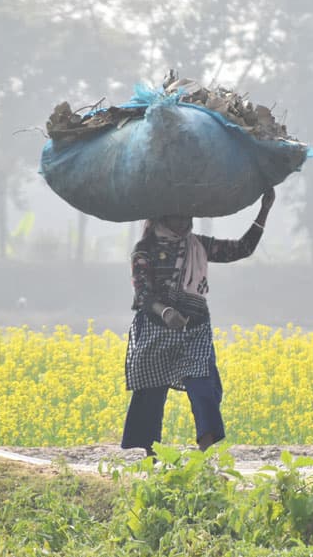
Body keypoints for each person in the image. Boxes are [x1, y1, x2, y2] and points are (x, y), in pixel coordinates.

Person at [120, 189, 276, 456]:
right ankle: (151, 456)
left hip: (194, 330)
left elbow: (242, 249)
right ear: (162, 217)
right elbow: (143, 294)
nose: (184, 222)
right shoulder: (144, 251)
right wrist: (167, 312)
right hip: (156, 330)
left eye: (187, 216)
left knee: (203, 388)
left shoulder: (198, 246)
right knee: (150, 394)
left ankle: (204, 454)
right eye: (177, 216)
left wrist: (264, 210)